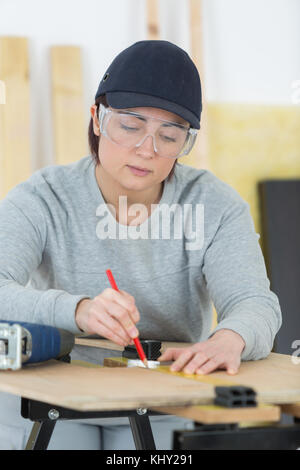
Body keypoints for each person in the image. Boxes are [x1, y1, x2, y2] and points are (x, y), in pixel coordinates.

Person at [0, 40, 282, 450]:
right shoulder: (42, 197)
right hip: (54, 393)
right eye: (130, 126)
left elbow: (256, 302)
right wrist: (78, 310)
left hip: (168, 396)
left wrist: (231, 338)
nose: (147, 150)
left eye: (169, 136)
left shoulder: (215, 205)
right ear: (97, 118)